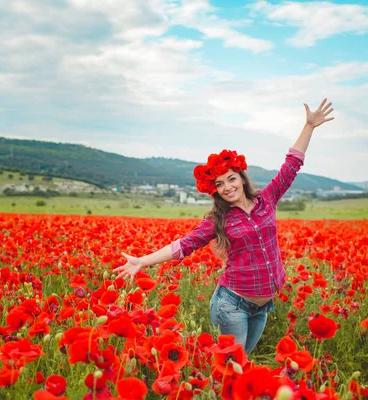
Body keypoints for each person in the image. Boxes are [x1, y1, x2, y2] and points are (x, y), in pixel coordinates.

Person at [114, 99, 334, 356]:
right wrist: (142, 261)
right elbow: (183, 246)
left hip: (262, 306)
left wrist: (309, 126)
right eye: (220, 184)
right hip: (232, 305)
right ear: (214, 190)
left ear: (241, 177)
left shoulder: (267, 199)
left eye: (231, 179)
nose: (228, 187)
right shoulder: (219, 219)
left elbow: (291, 166)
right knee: (231, 368)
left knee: (239, 364)